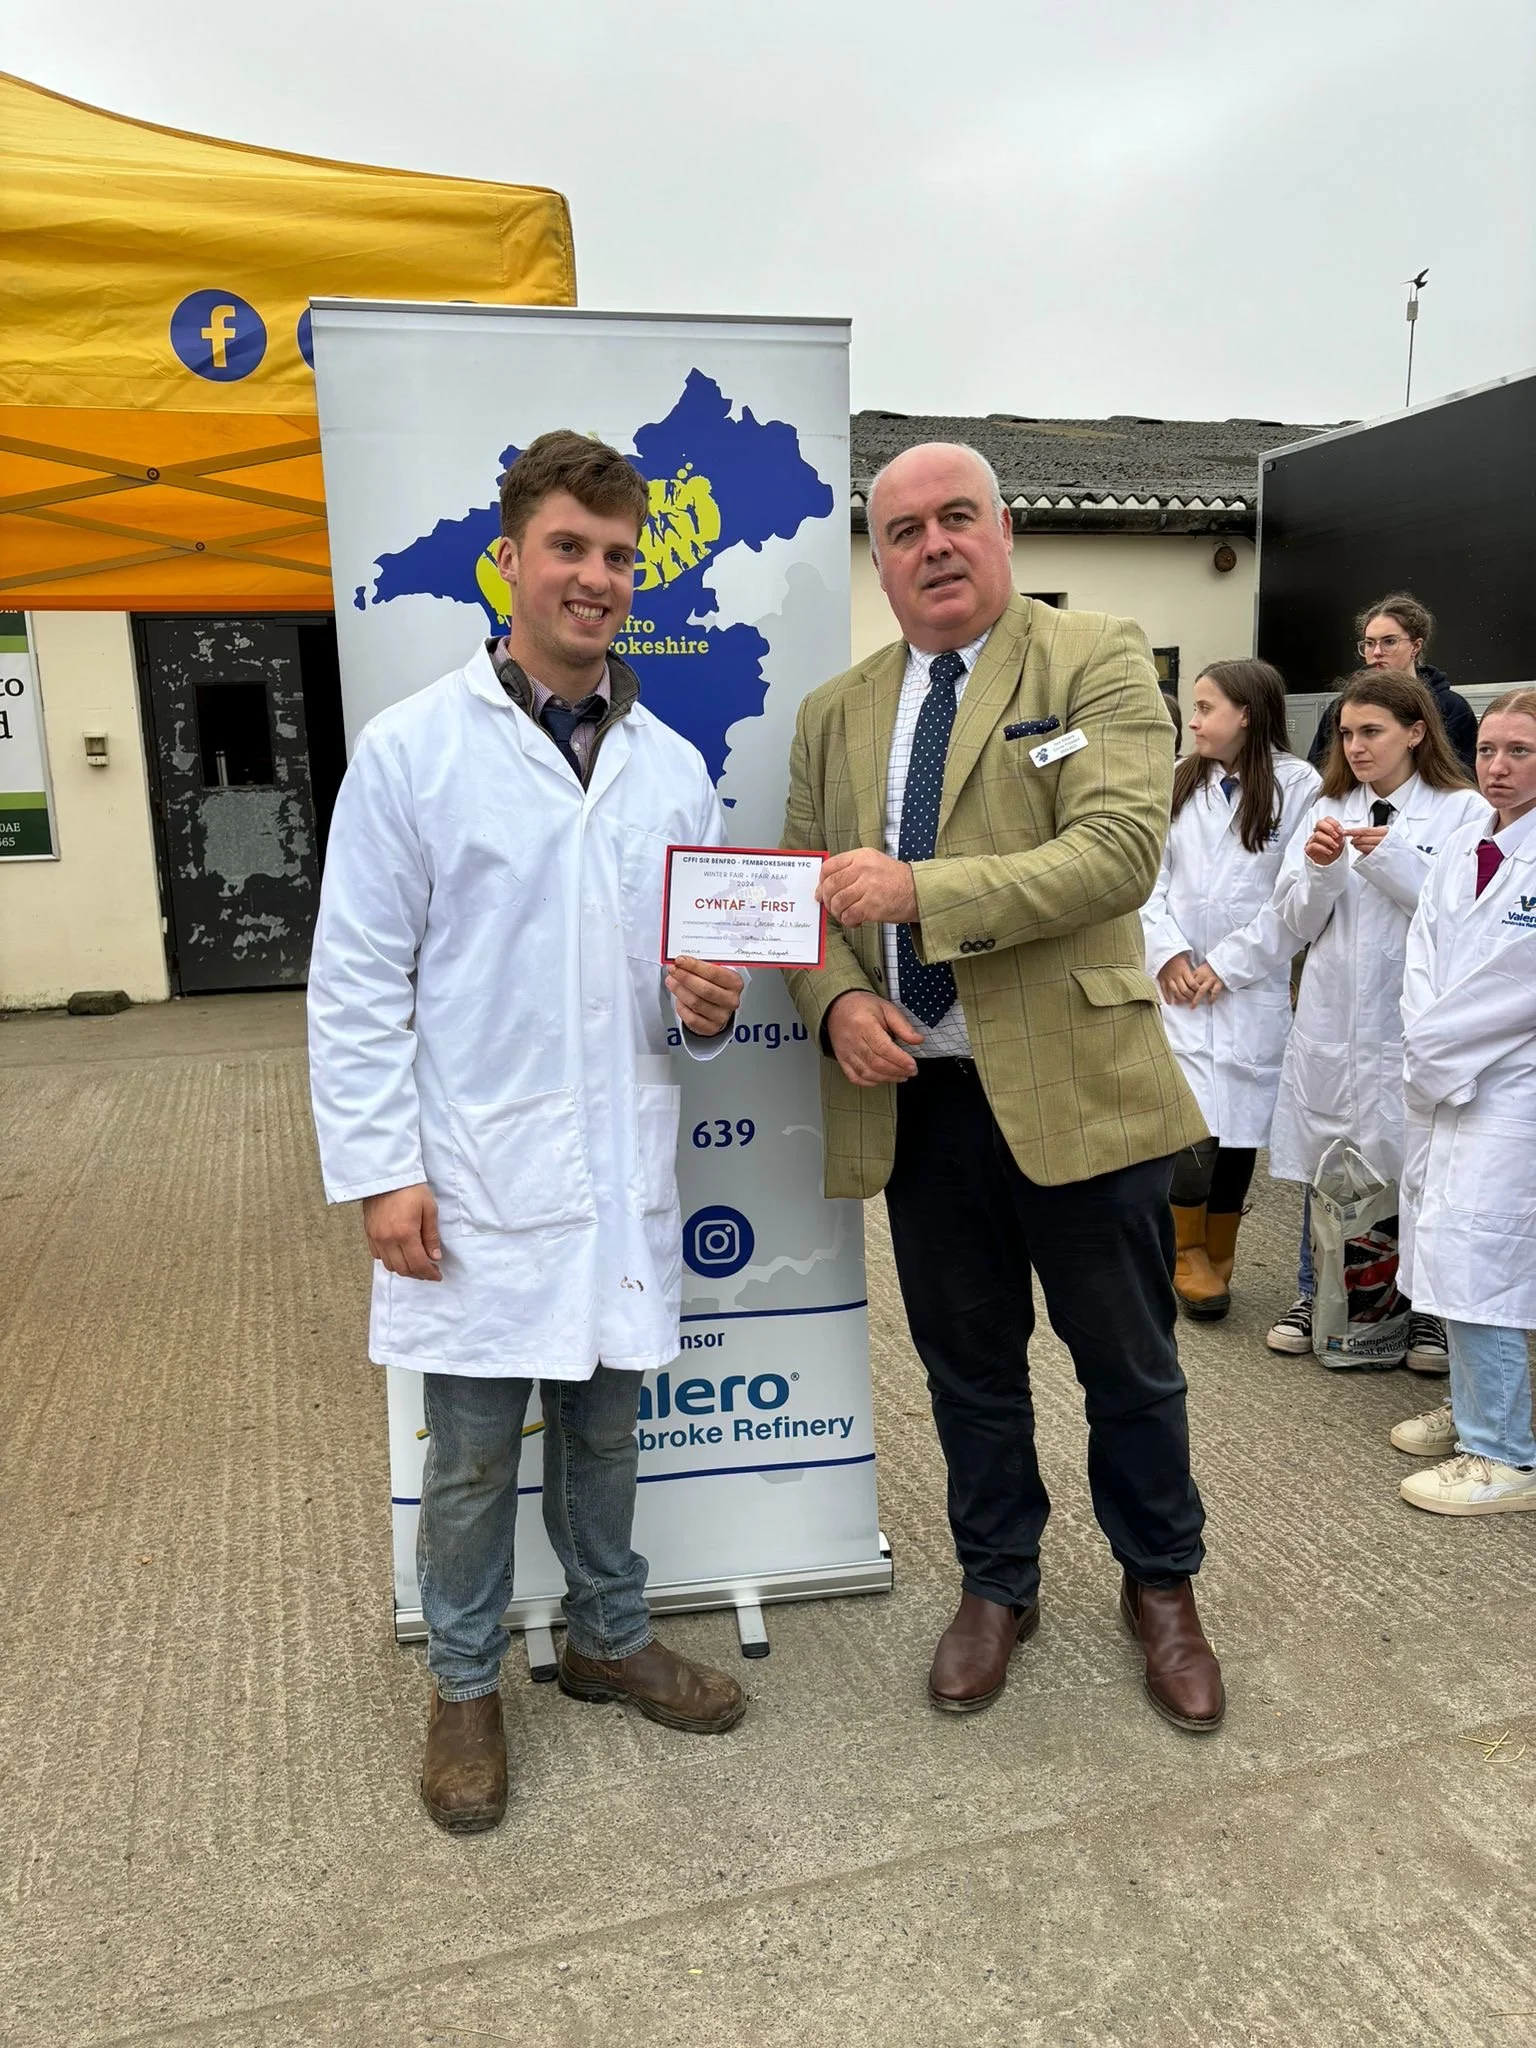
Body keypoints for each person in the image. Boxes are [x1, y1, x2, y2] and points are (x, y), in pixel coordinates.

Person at [308, 431, 749, 1836]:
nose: (596, 576)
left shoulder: (673, 766)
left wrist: (706, 1007)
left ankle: (607, 1636)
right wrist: (383, 1169)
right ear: (508, 561)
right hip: (475, 1178)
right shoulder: (413, 751)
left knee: (609, 1434)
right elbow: (357, 979)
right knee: (471, 1458)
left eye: (619, 554)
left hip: (615, 1173)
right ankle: (463, 1686)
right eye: (569, 547)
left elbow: (683, 986)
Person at [781, 441, 1223, 1733]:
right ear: (879, 561)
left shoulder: (1093, 659)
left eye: (956, 517)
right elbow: (804, 898)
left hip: (1082, 1091)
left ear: (1004, 528)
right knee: (967, 1369)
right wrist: (840, 1002)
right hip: (923, 1104)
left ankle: (1162, 1582)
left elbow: (1118, 852)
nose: (934, 545)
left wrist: (922, 891)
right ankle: (997, 1582)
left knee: (1129, 1365)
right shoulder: (835, 712)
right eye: (904, 530)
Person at [1263, 669, 1484, 1367]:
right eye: (1347, 733)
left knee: (1416, 1166)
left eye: (1371, 732)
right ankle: (1317, 1291)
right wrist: (1320, 870)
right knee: (1329, 1159)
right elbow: (1295, 922)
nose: (1355, 747)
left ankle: (1424, 1311)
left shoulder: (1463, 812)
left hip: (1410, 1021)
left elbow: (1459, 919)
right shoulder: (1328, 805)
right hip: (1333, 1019)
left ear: (1416, 732)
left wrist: (1389, 858)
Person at [1392, 690, 1536, 1514]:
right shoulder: (1464, 842)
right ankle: (1475, 1406)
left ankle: (1504, 1453)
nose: (1498, 767)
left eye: (1520, 752)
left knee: (1486, 1254)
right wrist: (1426, 1046)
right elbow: (1422, 953)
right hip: (1443, 1074)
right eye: (1487, 750)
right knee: (1447, 1242)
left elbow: (1516, 987)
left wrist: (1436, 1050)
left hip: (1510, 1084)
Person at [1142, 661, 1319, 1319]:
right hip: (1181, 985)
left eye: (1205, 708)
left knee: (1241, 1125)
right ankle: (1185, 1251)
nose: (1192, 722)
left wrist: (1229, 965)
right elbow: (1149, 879)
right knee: (1192, 1124)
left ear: (1246, 713)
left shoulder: (1299, 787)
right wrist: (1167, 954)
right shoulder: (1180, 780)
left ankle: (1220, 1252)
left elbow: (1296, 898)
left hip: (1247, 987)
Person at [1307, 593, 1476, 774]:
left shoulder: (1451, 708)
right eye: (1369, 643)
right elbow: (1319, 775)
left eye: (1389, 641)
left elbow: (1464, 777)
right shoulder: (1342, 709)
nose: (1377, 652)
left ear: (1416, 646)